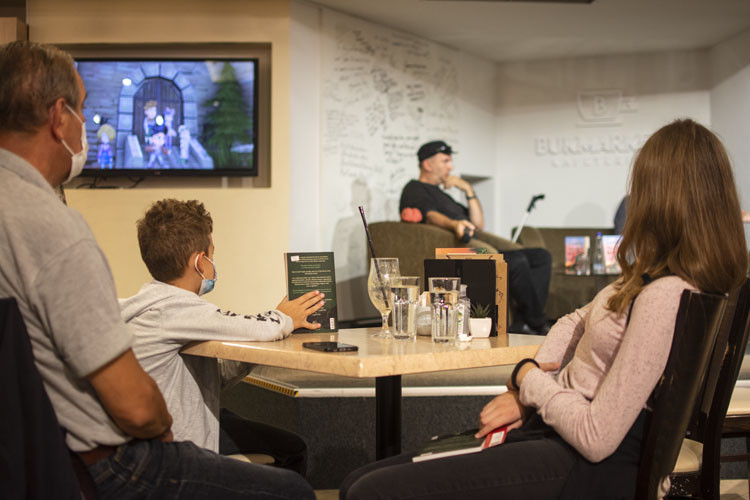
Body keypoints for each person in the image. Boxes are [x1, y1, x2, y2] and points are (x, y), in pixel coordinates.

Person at [342, 119, 748, 500]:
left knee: (368, 490)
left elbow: (597, 437)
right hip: (556, 428)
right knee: (357, 481)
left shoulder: (665, 295)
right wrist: (527, 393)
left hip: (585, 464)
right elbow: (574, 320)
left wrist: (528, 378)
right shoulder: (648, 278)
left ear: (661, 198)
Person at [0, 40, 314, 500]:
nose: (86, 124)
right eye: (83, 110)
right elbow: (136, 407)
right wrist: (164, 424)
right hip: (106, 460)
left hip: (34, 454)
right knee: (294, 492)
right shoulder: (53, 229)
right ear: (58, 116)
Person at [121, 198, 324, 475]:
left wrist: (252, 350)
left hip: (164, 427)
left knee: (284, 443)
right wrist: (286, 317)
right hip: (177, 447)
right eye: (212, 255)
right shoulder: (176, 309)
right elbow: (264, 327)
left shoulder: (149, 304)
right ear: (200, 262)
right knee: (292, 456)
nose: (213, 264)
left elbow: (215, 377)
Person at [399, 140, 552, 334]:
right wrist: (454, 224)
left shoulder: (443, 195)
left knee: (541, 256)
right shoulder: (415, 189)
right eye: (445, 161)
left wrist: (468, 190)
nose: (450, 167)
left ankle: (524, 321)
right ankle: (538, 323)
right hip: (456, 250)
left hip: (476, 246)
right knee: (516, 261)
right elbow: (429, 215)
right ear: (428, 164)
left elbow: (478, 224)